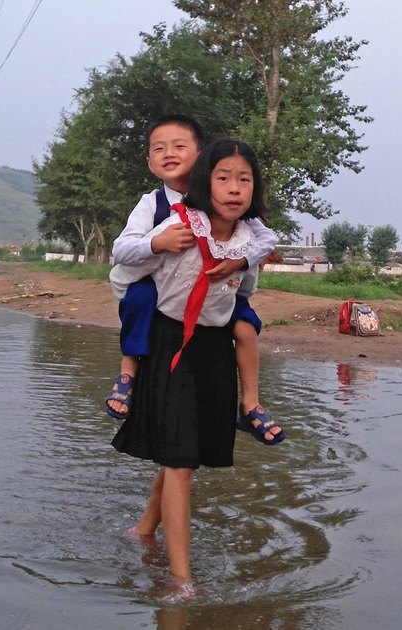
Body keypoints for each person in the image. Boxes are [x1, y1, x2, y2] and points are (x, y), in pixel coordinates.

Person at [109, 138, 275, 593]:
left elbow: (246, 292)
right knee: (180, 461)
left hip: (213, 348)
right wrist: (156, 246)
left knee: (185, 454)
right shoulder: (179, 224)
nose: (234, 188)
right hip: (170, 343)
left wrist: (240, 260)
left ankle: (145, 529)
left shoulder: (249, 242)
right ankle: (182, 581)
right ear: (205, 182)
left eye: (245, 179)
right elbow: (126, 258)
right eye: (223, 178)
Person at [105, 115, 282, 444]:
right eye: (159, 149)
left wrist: (240, 260)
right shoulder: (155, 206)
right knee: (141, 302)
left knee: (245, 329)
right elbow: (122, 250)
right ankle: (128, 372)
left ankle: (251, 402)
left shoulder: (225, 201)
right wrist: (157, 243)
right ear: (149, 162)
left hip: (218, 294)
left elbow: (266, 238)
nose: (168, 153)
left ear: (201, 156)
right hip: (158, 288)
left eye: (179, 146)